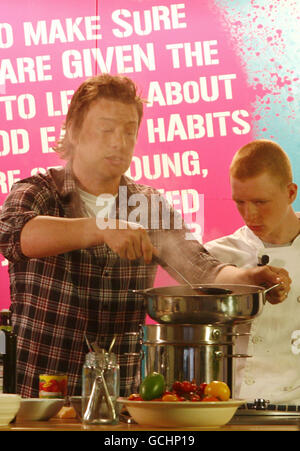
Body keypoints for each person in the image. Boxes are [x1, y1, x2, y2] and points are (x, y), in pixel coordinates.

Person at [0, 76, 290, 398]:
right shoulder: (37, 191)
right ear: (74, 131)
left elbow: (200, 268)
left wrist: (249, 278)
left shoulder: (148, 206)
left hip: (123, 401)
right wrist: (100, 228)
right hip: (42, 401)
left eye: (129, 131)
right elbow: (13, 234)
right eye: (107, 129)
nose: (119, 142)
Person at [205, 139, 300, 404]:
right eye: (240, 202)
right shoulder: (216, 255)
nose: (250, 214)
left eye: (261, 201)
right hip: (233, 407)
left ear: (291, 193)